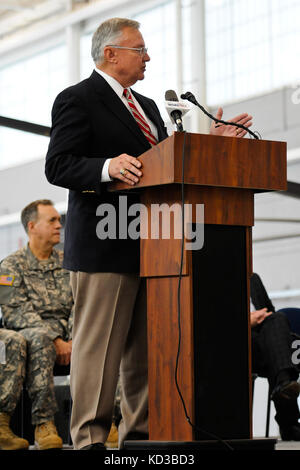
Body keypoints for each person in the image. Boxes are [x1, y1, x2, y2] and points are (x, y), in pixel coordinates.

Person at [45, 17, 253, 450]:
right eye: (140, 50)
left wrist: (207, 140)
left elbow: (165, 160)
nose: (148, 57)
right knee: (99, 352)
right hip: (104, 245)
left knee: (142, 355)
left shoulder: (148, 105)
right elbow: (58, 165)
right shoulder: (77, 99)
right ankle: (89, 442)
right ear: (111, 54)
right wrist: (106, 167)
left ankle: (138, 440)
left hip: (155, 246)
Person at [0, 199, 73, 450]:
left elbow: (82, 304)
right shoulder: (11, 266)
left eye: (58, 219)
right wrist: (55, 338)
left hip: (70, 334)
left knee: (106, 337)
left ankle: (108, 422)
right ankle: (44, 423)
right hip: (35, 335)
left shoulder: (69, 263)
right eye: (51, 220)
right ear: (32, 226)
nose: (59, 225)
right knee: (40, 340)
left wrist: (73, 339)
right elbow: (15, 312)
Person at [250, 272, 300, 440]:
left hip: (264, 343)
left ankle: (284, 383)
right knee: (281, 350)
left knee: (277, 319)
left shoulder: (250, 277)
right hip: (238, 344)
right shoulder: (213, 283)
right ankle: (289, 424)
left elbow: (268, 313)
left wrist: (263, 318)